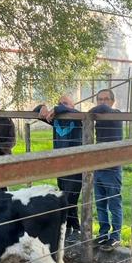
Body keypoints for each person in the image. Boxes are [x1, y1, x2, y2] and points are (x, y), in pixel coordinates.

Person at [34, 95, 83, 241]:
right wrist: (42, 107)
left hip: (75, 165)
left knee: (70, 197)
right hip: (60, 166)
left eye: (65, 103)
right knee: (65, 197)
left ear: (73, 106)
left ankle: (75, 228)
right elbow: (36, 111)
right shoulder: (55, 120)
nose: (62, 106)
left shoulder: (77, 118)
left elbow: (72, 112)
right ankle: (70, 227)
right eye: (59, 103)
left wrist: (56, 108)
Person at [90, 89, 123, 251]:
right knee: (100, 204)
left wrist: (88, 113)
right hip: (99, 167)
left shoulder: (116, 114)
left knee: (114, 204)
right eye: (100, 99)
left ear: (112, 101)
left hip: (113, 168)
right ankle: (103, 234)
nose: (102, 102)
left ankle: (116, 236)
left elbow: (103, 109)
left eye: (106, 99)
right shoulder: (98, 116)